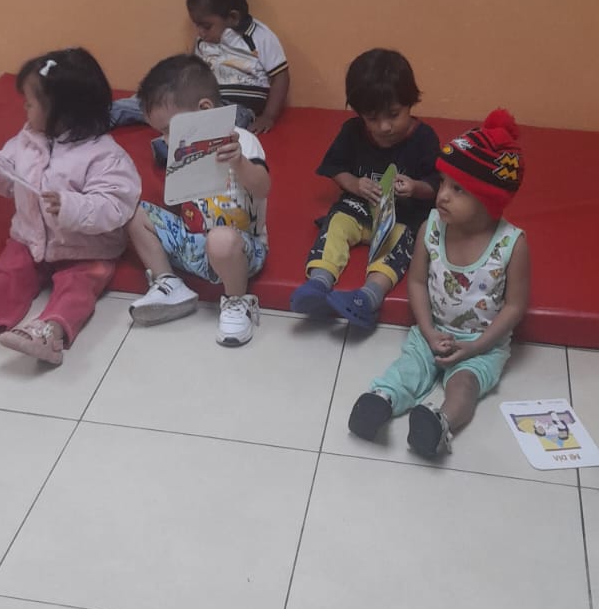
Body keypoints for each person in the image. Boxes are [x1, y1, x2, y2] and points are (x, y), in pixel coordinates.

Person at [0, 48, 141, 366]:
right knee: (9, 271)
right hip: (30, 238)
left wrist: (71, 206)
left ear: (62, 111)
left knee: (77, 286)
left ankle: (51, 330)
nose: (24, 108)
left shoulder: (104, 154)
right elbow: (11, 179)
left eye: (30, 103)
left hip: (87, 248)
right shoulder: (27, 140)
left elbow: (116, 204)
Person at [348, 110, 529, 458]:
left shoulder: (512, 244)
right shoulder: (431, 227)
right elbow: (417, 282)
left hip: (483, 345)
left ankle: (439, 422)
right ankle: (380, 401)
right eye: (443, 183)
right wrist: (429, 332)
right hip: (431, 332)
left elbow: (515, 306)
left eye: (457, 189)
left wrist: (476, 347)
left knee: (465, 385)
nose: (441, 195)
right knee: (408, 369)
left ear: (489, 200)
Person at [127, 54, 270, 346]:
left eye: (169, 130)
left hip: (240, 250)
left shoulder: (243, 141)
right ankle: (169, 282)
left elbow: (263, 187)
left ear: (204, 109)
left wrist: (239, 162)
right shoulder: (178, 148)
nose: (165, 139)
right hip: (193, 244)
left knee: (220, 239)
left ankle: (236, 301)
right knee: (132, 211)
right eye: (161, 132)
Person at [291, 49, 439, 328]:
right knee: (336, 223)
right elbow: (335, 168)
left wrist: (415, 187)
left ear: (411, 102)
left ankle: (369, 297)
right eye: (372, 119)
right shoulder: (352, 131)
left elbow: (436, 186)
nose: (385, 127)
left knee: (405, 240)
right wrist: (355, 184)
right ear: (360, 114)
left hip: (401, 217)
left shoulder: (424, 139)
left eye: (394, 115)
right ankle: (319, 281)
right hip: (358, 209)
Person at [110, 0, 289, 144]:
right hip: (200, 99)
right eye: (197, 26)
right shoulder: (203, 42)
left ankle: (176, 146)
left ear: (233, 17)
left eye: (206, 26)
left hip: (238, 108)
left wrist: (268, 116)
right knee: (154, 101)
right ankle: (102, 116)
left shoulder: (260, 36)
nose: (200, 32)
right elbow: (195, 74)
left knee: (220, 123)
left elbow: (280, 76)